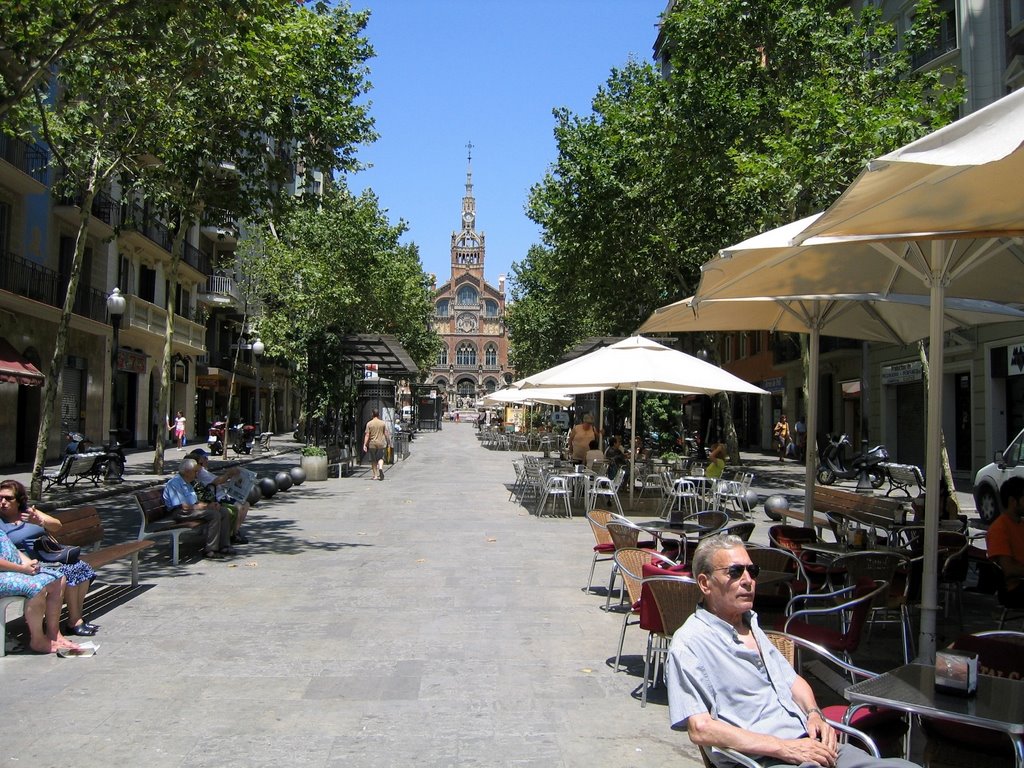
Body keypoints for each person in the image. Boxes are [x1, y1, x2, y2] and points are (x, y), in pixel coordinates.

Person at [667, 534, 918, 768]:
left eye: (752, 571)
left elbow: (793, 681)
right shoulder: (690, 642)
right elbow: (701, 729)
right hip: (765, 759)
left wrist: (814, 714)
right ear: (705, 583)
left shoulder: (751, 625)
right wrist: (784, 748)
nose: (748, 580)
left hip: (812, 745)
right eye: (735, 572)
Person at [0, 479, 99, 636]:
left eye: (8, 498)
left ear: (19, 500)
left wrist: (40, 521)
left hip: (48, 555)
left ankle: (76, 617)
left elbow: (57, 526)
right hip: (27, 562)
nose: (3, 502)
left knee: (81, 567)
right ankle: (74, 621)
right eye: (0, 498)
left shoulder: (28, 512)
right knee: (68, 571)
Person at [162, 458, 234, 558]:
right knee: (214, 514)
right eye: (195, 471)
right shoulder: (175, 483)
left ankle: (224, 545)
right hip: (180, 512)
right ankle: (210, 550)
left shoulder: (188, 482)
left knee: (223, 511)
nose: (196, 474)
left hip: (190, 510)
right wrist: (205, 506)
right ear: (187, 472)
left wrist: (211, 504)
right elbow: (183, 506)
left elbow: (194, 502)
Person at [188, 449, 250, 544]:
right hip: (217, 498)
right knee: (238, 507)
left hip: (219, 496)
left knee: (245, 504)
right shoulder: (200, 473)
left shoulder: (203, 471)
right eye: (204, 459)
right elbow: (216, 481)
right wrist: (229, 474)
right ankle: (233, 534)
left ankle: (234, 532)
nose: (206, 460)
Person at [987, 476, 1024, 608]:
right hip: (1013, 590)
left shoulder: (1020, 524)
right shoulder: (999, 528)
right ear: (1013, 501)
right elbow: (1009, 570)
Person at [363, 409, 391, 481]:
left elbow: (367, 435)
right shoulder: (382, 423)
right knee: (380, 458)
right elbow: (386, 433)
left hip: (372, 443)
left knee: (373, 460)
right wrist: (388, 442)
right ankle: (380, 468)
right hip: (381, 443)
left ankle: (375, 475)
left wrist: (364, 444)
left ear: (372, 414)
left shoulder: (369, 423)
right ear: (378, 415)